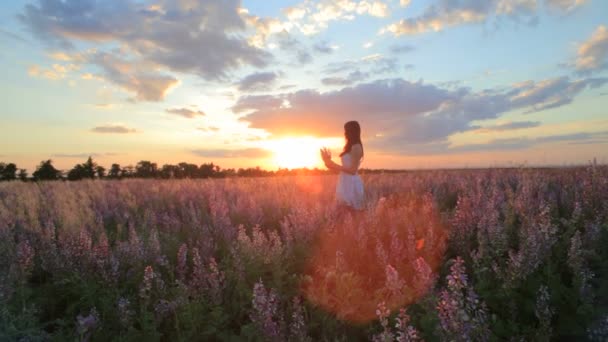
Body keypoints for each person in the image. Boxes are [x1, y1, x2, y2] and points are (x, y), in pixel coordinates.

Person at [320, 121, 365, 213]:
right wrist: (327, 161)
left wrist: (333, 164)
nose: (345, 133)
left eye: (347, 130)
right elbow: (342, 169)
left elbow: (352, 170)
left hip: (352, 183)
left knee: (353, 213)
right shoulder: (349, 147)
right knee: (344, 212)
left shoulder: (356, 147)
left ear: (352, 131)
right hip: (344, 181)